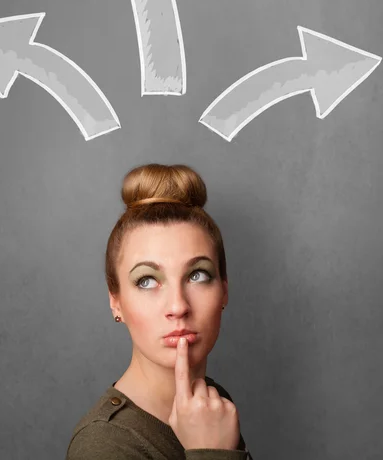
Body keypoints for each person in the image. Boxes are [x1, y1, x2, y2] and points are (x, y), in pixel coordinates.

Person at [65, 163, 253, 459]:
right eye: (147, 281)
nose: (178, 306)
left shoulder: (211, 408)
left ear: (224, 290)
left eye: (198, 275)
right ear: (116, 301)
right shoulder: (104, 447)